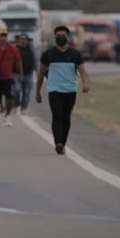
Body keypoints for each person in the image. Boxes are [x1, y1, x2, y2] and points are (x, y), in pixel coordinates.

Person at [36, 25, 91, 155]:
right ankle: (58, 143)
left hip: (70, 90)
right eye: (58, 35)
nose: (60, 37)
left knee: (66, 118)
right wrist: (37, 91)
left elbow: (82, 71)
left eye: (63, 35)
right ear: (55, 37)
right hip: (54, 89)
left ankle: (63, 143)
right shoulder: (48, 54)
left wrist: (85, 84)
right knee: (57, 115)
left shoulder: (75, 54)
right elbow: (40, 74)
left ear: (68, 37)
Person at [16, 35, 37, 115]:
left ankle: (24, 107)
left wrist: (36, 70)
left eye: (25, 40)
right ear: (19, 40)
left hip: (28, 73)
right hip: (17, 74)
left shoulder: (31, 49)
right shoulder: (16, 49)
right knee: (17, 90)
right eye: (22, 39)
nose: (23, 41)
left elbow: (35, 60)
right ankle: (17, 105)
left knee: (27, 92)